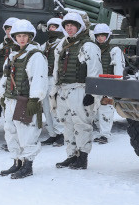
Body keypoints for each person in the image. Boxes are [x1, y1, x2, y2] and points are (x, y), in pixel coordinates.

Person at [0, 19, 49, 179]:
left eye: (25, 36)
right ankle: (17, 162)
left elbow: (38, 78)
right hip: (11, 100)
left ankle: (28, 165)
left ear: (30, 37)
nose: (21, 39)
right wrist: (1, 95)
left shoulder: (35, 56)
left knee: (27, 133)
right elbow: (5, 78)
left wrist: (35, 99)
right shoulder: (13, 55)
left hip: (25, 101)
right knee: (11, 132)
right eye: (18, 35)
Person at [54, 12, 102, 170]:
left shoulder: (88, 46)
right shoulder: (62, 44)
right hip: (63, 90)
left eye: (72, 25)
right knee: (67, 124)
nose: (69, 28)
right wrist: (54, 89)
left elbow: (95, 70)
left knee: (82, 124)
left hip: (79, 89)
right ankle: (71, 155)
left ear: (79, 27)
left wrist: (91, 93)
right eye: (66, 25)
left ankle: (82, 157)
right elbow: (56, 68)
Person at [93, 23, 125, 144]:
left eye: (103, 35)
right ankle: (101, 132)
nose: (100, 38)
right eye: (98, 36)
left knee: (106, 109)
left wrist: (118, 85)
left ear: (108, 36)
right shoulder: (94, 49)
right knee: (95, 108)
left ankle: (105, 135)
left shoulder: (114, 50)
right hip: (96, 83)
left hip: (109, 82)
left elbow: (119, 69)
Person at [0, 17, 18, 152]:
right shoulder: (1, 47)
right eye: (7, 29)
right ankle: (11, 141)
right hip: (4, 82)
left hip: (17, 83)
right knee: (7, 113)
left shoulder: (22, 46)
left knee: (17, 114)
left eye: (11, 29)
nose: (9, 31)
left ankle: (18, 141)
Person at [40, 17, 65, 147]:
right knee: (46, 108)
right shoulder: (45, 45)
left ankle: (61, 133)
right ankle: (52, 134)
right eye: (50, 27)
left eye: (54, 27)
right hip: (45, 79)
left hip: (55, 80)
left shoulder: (63, 43)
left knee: (55, 107)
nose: (51, 29)